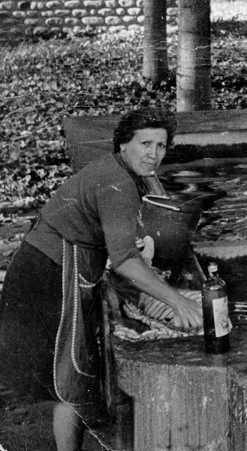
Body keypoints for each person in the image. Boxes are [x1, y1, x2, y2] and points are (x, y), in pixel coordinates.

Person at [0, 108, 204, 451]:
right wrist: (179, 302)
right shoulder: (119, 184)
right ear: (123, 144)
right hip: (50, 274)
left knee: (72, 379)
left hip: (43, 264)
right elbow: (124, 260)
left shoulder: (115, 170)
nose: (153, 154)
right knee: (71, 379)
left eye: (160, 145)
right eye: (145, 144)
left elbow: (117, 239)